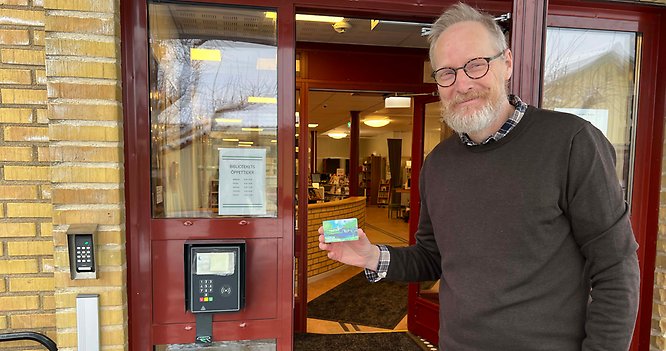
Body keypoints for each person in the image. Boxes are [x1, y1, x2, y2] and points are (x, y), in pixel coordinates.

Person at [318, 3, 640, 350]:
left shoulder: (573, 143)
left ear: (508, 64)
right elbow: (433, 257)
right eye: (447, 73)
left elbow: (616, 268)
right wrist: (371, 257)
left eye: (476, 65)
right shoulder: (438, 164)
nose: (462, 84)